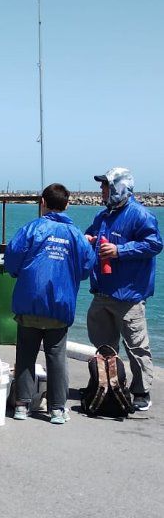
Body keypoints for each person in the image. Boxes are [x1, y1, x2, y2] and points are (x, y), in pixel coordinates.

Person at [5, 184, 94, 424]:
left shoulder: (32, 228)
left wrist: (17, 273)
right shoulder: (75, 235)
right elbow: (87, 266)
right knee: (56, 356)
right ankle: (56, 408)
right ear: (67, 204)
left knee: (25, 354)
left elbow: (12, 258)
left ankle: (22, 405)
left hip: (29, 302)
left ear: (42, 202)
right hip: (59, 304)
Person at [85, 167, 162, 411]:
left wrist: (120, 251)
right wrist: (88, 239)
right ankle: (107, 382)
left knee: (136, 346)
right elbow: (91, 233)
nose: (101, 190)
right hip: (102, 292)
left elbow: (154, 244)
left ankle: (141, 391)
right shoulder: (103, 216)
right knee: (103, 344)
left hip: (129, 294)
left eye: (105, 185)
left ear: (118, 187)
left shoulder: (141, 215)